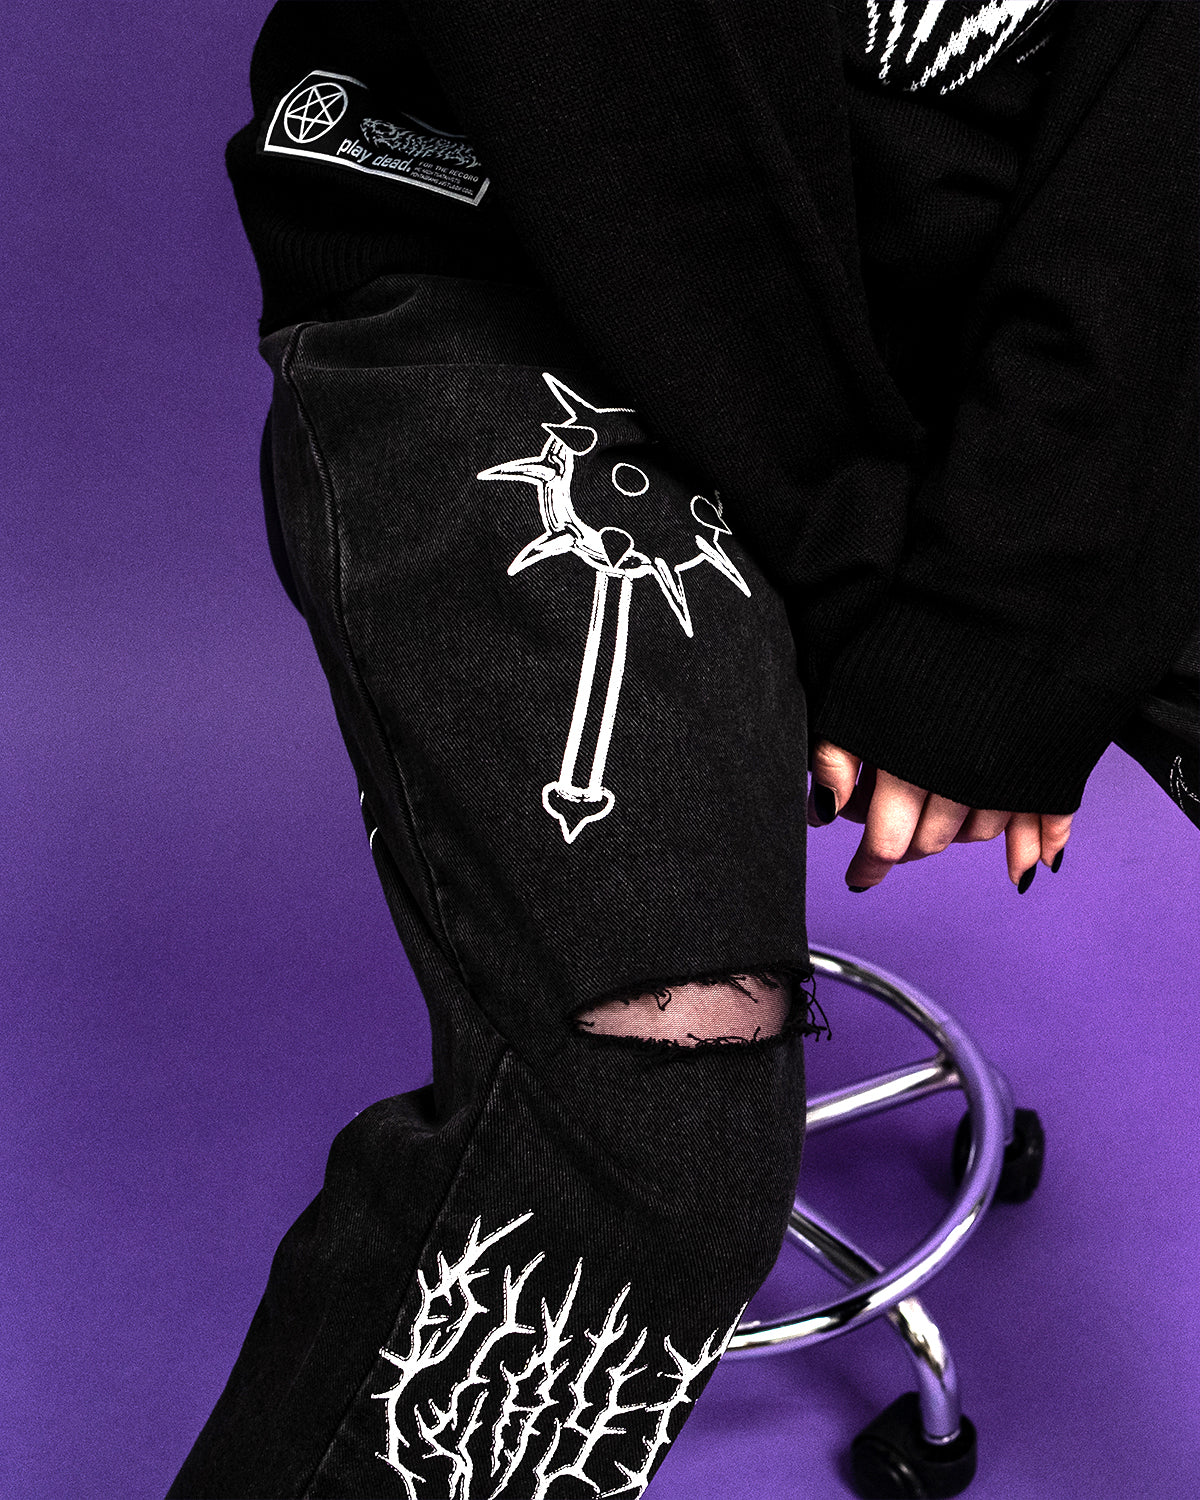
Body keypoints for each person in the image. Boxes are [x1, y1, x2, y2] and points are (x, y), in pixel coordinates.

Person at [167, 2, 1197, 1495]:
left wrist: (1020, 597)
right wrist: (927, 626)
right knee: (648, 1120)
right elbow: (631, 118)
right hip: (524, 253)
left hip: (1026, 264)